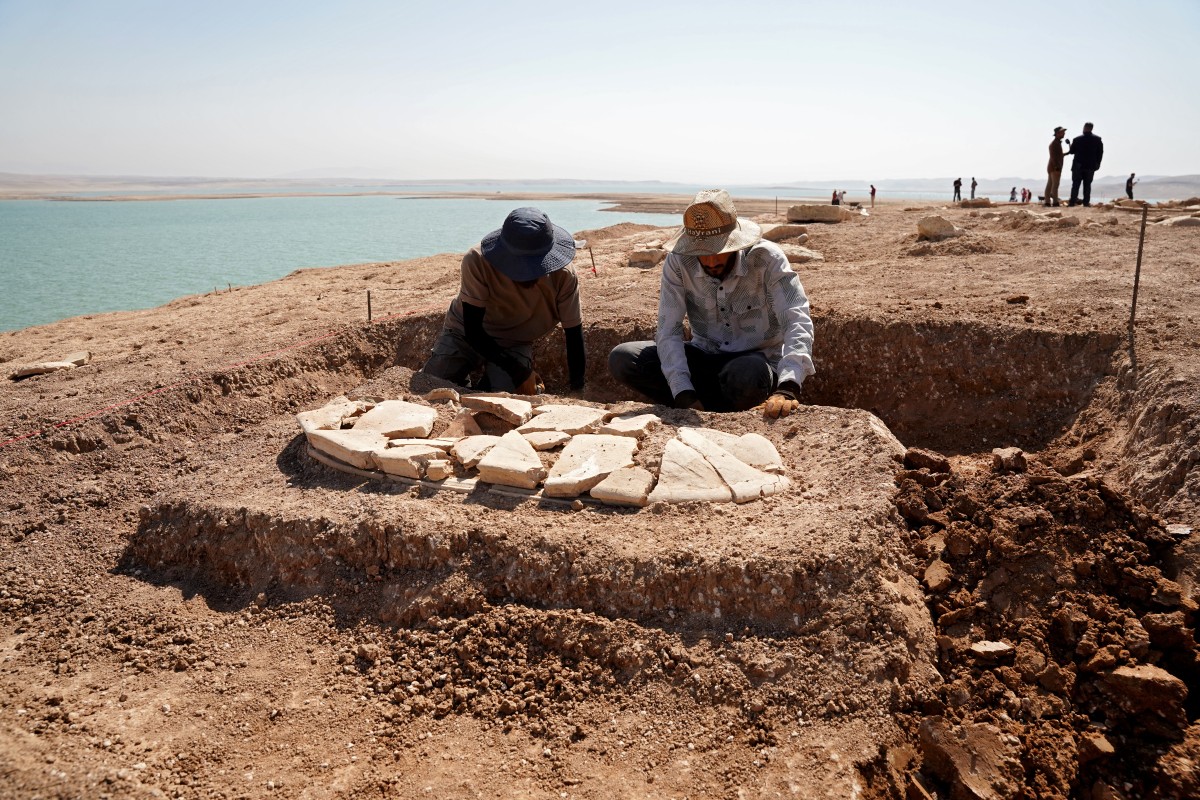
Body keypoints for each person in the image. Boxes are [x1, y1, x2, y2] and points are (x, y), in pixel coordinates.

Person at [608, 189, 814, 418]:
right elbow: (669, 329)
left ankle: (730, 411)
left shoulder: (767, 259)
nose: (711, 260)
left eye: (718, 250)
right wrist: (682, 392)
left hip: (755, 361)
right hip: (704, 356)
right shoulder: (678, 263)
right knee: (624, 358)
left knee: (747, 373)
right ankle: (700, 406)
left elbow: (796, 316)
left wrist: (789, 385)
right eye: (702, 251)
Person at [421, 206, 585, 394]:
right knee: (432, 384)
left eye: (534, 266)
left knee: (503, 395)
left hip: (515, 340)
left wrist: (577, 389)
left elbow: (574, 334)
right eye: (520, 266)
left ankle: (486, 384)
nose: (526, 273)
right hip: (465, 333)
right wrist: (520, 372)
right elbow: (473, 330)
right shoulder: (477, 261)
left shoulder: (564, 276)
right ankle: (464, 382)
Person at [1068, 122, 1104, 207]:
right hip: (1090, 166)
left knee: (1075, 184)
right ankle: (1086, 203)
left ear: (1084, 127)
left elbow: (1071, 151)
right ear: (1091, 128)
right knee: (1087, 185)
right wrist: (1098, 164)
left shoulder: (1077, 139)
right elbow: (1100, 153)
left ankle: (1072, 202)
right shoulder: (1097, 139)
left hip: (1078, 165)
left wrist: (1070, 145)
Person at [1045, 126, 1068, 207]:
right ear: (1057, 133)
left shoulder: (1056, 143)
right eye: (1062, 132)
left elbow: (1058, 155)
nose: (1064, 133)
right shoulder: (1055, 143)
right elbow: (1053, 156)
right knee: (1055, 185)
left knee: (1050, 185)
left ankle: (1047, 202)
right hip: (1055, 167)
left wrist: (1067, 153)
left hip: (1052, 167)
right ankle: (1055, 202)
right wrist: (1056, 167)